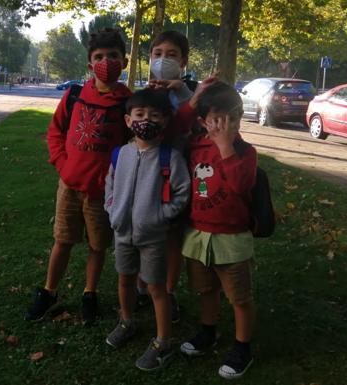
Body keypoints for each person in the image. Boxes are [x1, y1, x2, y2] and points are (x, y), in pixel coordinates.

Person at [24, 28, 132, 325]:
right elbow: (56, 130)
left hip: (101, 193)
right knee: (63, 240)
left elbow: (136, 145)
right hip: (69, 187)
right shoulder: (74, 96)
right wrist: (62, 164)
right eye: (98, 57)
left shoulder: (129, 103)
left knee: (98, 246)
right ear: (89, 65)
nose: (106, 62)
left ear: (124, 61)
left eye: (112, 56)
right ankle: (49, 291)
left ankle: (89, 293)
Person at [104, 88, 190, 371]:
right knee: (125, 278)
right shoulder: (120, 155)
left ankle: (163, 341)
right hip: (122, 232)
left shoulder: (170, 156)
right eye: (140, 115)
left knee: (156, 287)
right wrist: (112, 209)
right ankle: (127, 321)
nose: (146, 120)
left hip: (153, 236)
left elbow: (182, 192)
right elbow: (110, 186)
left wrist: (160, 216)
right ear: (128, 121)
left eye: (154, 115)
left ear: (165, 121)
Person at [180, 82, 258, 380]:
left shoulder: (244, 151)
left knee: (238, 296)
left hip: (231, 238)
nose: (226, 126)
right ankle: (208, 330)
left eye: (233, 119)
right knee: (206, 289)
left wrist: (225, 146)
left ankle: (242, 346)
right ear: (202, 122)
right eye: (217, 120)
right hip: (199, 234)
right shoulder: (194, 146)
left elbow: (240, 188)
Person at [136, 30, 194, 323]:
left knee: (172, 236)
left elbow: (195, 118)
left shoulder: (192, 95)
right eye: (157, 54)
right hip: (147, 173)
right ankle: (142, 284)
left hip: (178, 174)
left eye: (171, 55)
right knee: (143, 229)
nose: (163, 60)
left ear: (183, 61)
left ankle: (168, 290)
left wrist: (181, 92)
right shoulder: (144, 95)